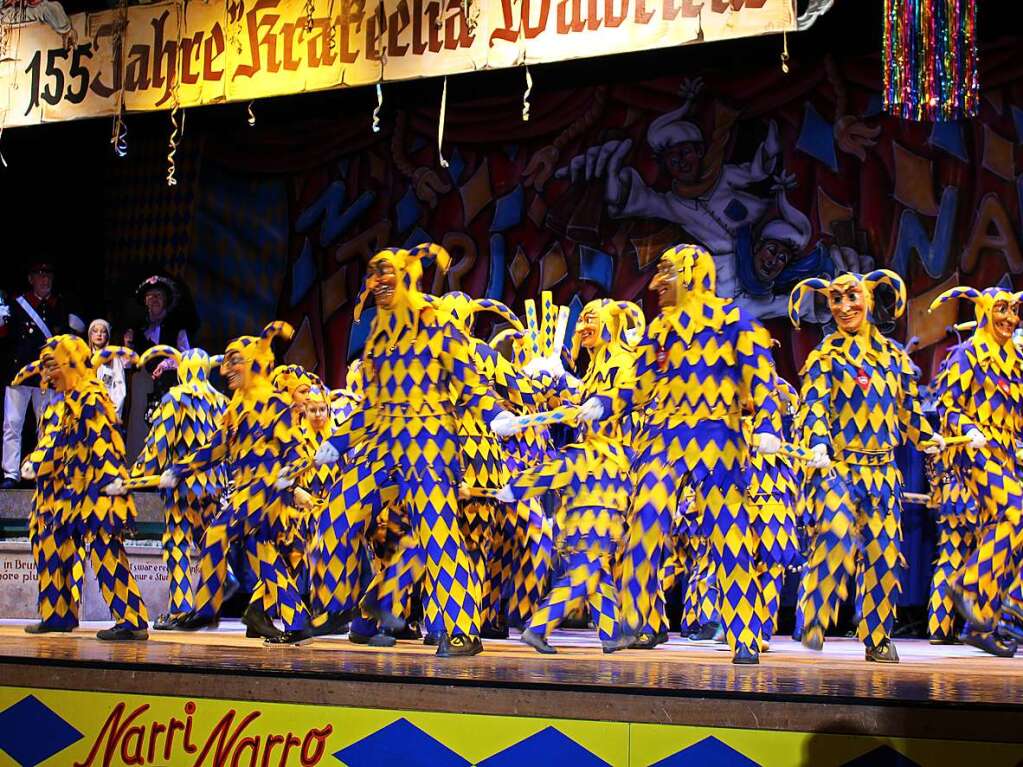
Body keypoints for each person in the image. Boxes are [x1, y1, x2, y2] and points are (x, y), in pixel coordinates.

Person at [618, 243, 782, 664]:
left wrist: (766, 425)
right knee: (645, 524)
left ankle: (744, 634)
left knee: (729, 536)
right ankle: (639, 621)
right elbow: (636, 386)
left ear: (691, 275)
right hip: (665, 436)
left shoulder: (734, 323)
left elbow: (761, 379)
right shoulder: (660, 330)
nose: (655, 283)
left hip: (718, 436)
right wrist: (603, 404)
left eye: (666, 272)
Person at [790, 270, 941, 663]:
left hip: (882, 474)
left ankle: (876, 637)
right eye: (835, 300)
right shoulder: (825, 355)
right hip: (838, 468)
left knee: (883, 554)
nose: (843, 307)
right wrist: (819, 441)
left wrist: (928, 439)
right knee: (837, 538)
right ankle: (814, 614)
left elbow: (909, 413)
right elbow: (815, 405)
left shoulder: (894, 357)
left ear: (871, 300)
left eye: (851, 297)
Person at [27, 337, 148, 640]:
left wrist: (110, 481)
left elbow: (103, 439)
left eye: (52, 365)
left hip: (98, 492)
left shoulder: (90, 395)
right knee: (56, 545)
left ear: (70, 361)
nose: (47, 373)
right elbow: (60, 445)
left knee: (106, 553)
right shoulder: (68, 399)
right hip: (75, 494)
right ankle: (59, 614)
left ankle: (132, 620)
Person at [930, 286, 1023, 657]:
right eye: (1001, 309)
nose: (1009, 318)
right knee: (1017, 512)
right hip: (976, 454)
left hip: (1009, 455)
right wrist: (968, 429)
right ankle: (969, 587)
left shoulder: (1016, 360)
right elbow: (946, 404)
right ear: (985, 311)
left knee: (1009, 532)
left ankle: (986, 622)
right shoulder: (968, 354)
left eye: (1014, 311)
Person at [1, 262, 83, 489]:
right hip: (18, 374)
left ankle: (43, 471)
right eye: (39, 275)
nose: (44, 280)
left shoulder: (61, 306)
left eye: (48, 276)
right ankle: (11, 473)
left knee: (47, 426)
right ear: (31, 279)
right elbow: (5, 336)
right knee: (12, 424)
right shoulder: (16, 305)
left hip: (47, 376)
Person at [88, 319, 128, 418]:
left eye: (103, 332)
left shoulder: (113, 358)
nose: (99, 334)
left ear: (107, 336)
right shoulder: (85, 357)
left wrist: (113, 411)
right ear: (90, 335)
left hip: (105, 412)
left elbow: (120, 387)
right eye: (95, 331)